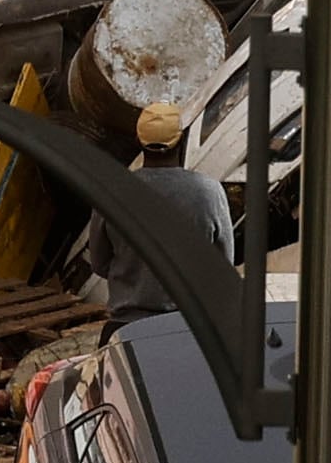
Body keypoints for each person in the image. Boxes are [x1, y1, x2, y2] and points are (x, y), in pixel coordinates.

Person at [86, 104, 236, 328]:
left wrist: (137, 281)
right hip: (190, 329)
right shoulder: (208, 192)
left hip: (126, 326)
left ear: (138, 140)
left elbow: (99, 264)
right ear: (181, 140)